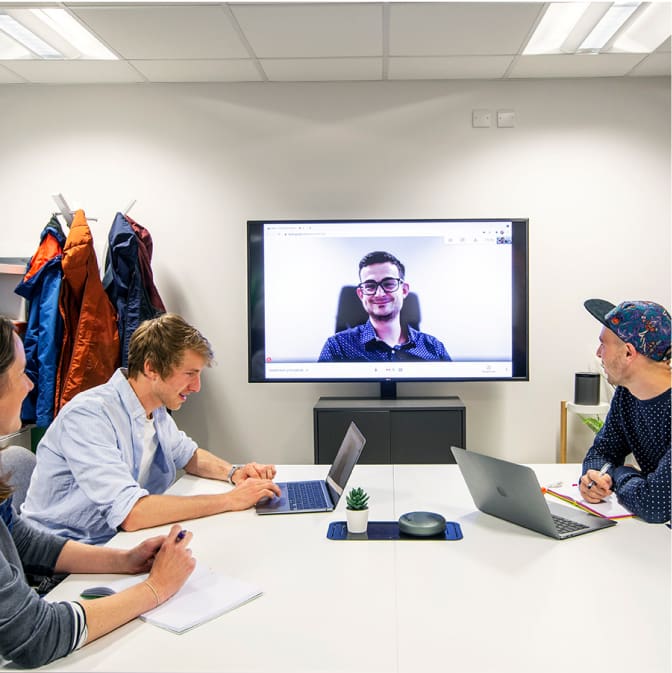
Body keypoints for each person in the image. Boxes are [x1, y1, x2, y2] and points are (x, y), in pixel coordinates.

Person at [0, 315, 196, 668]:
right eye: (20, 373)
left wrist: (124, 561)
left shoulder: (155, 413)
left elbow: (21, 540)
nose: (30, 385)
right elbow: (34, 636)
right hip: (46, 593)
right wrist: (155, 588)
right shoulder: (90, 413)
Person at [22, 313, 281, 545]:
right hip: (62, 560)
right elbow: (131, 513)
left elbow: (189, 455)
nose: (197, 386)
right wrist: (230, 500)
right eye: (190, 374)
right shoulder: (89, 416)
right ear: (151, 368)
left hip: (117, 543)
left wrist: (235, 473)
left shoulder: (154, 408)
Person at [578, 299, 671, 524]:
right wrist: (595, 478)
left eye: (604, 344)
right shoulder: (627, 395)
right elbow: (602, 452)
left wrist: (619, 473)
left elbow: (654, 505)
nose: (599, 353)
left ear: (629, 353)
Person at [318, 251, 451, 362]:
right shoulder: (337, 347)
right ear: (360, 294)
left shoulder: (434, 348)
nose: (380, 293)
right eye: (370, 286)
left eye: (388, 284)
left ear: (404, 290)